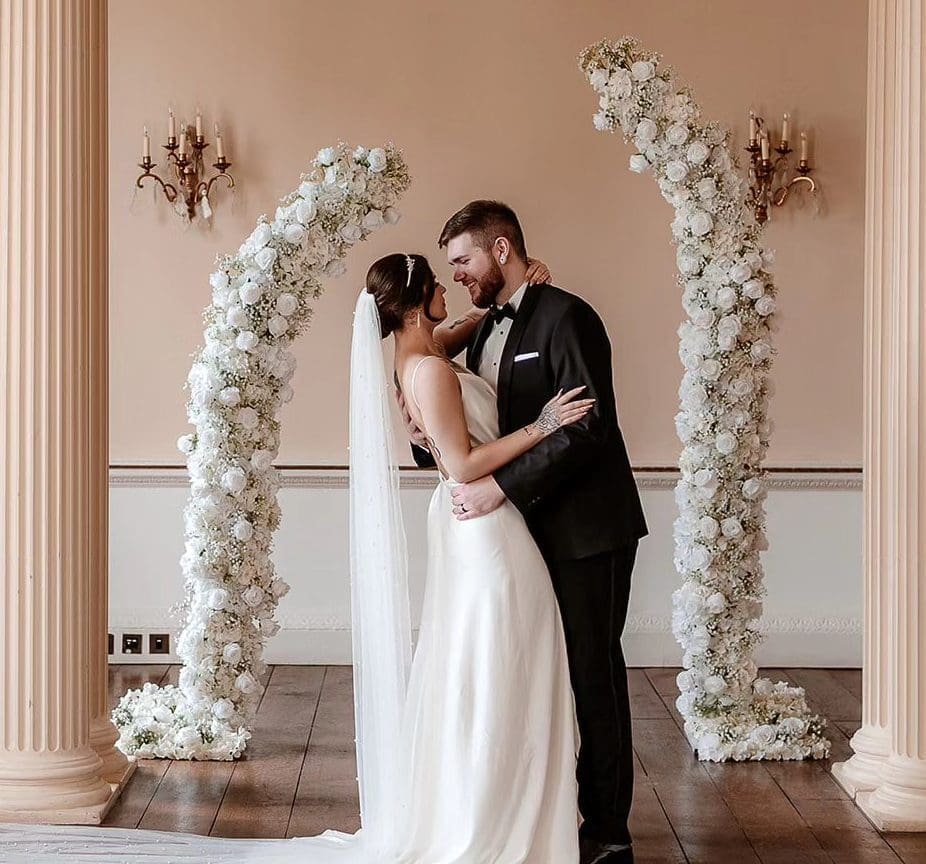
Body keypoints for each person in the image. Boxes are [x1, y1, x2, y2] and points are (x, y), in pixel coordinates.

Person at [0, 251, 592, 864]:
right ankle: (497, 811)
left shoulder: (412, 360)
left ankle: (491, 802)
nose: (451, 288)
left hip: (465, 524)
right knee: (495, 659)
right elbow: (464, 464)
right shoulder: (434, 373)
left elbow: (450, 335)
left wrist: (507, 297)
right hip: (482, 525)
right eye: (439, 283)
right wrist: (544, 424)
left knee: (480, 661)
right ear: (417, 302)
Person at [403, 201, 648, 864]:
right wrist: (427, 440)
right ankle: (544, 818)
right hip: (520, 532)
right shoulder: (482, 330)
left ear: (501, 249)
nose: (456, 276)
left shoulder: (568, 316)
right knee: (536, 677)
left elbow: (588, 427)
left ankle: (607, 832)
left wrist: (499, 488)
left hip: (586, 528)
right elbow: (481, 430)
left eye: (464, 260)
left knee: (592, 673)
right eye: (450, 266)